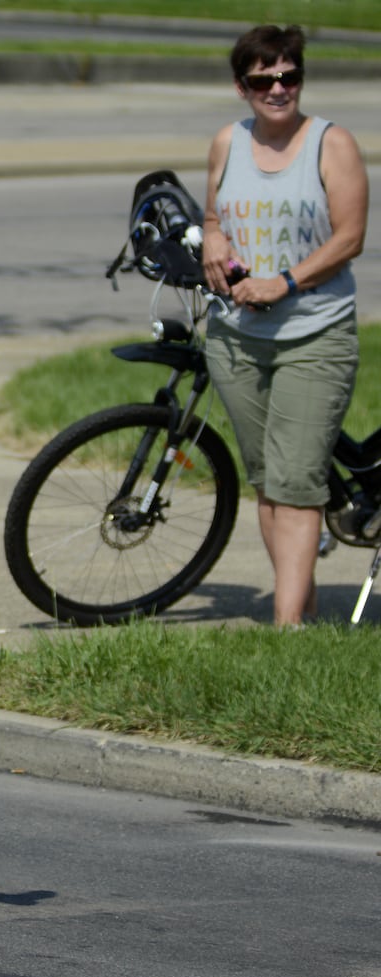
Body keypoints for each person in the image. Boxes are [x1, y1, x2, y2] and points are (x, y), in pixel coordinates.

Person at [200, 24, 368, 627]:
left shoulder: (332, 144)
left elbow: (350, 237)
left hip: (314, 332)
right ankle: (302, 603)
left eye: (288, 75)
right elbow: (215, 212)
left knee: (297, 485)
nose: (278, 88)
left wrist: (286, 281)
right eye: (263, 79)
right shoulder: (228, 142)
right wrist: (214, 238)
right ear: (241, 87)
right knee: (269, 481)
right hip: (236, 336)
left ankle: (286, 630)